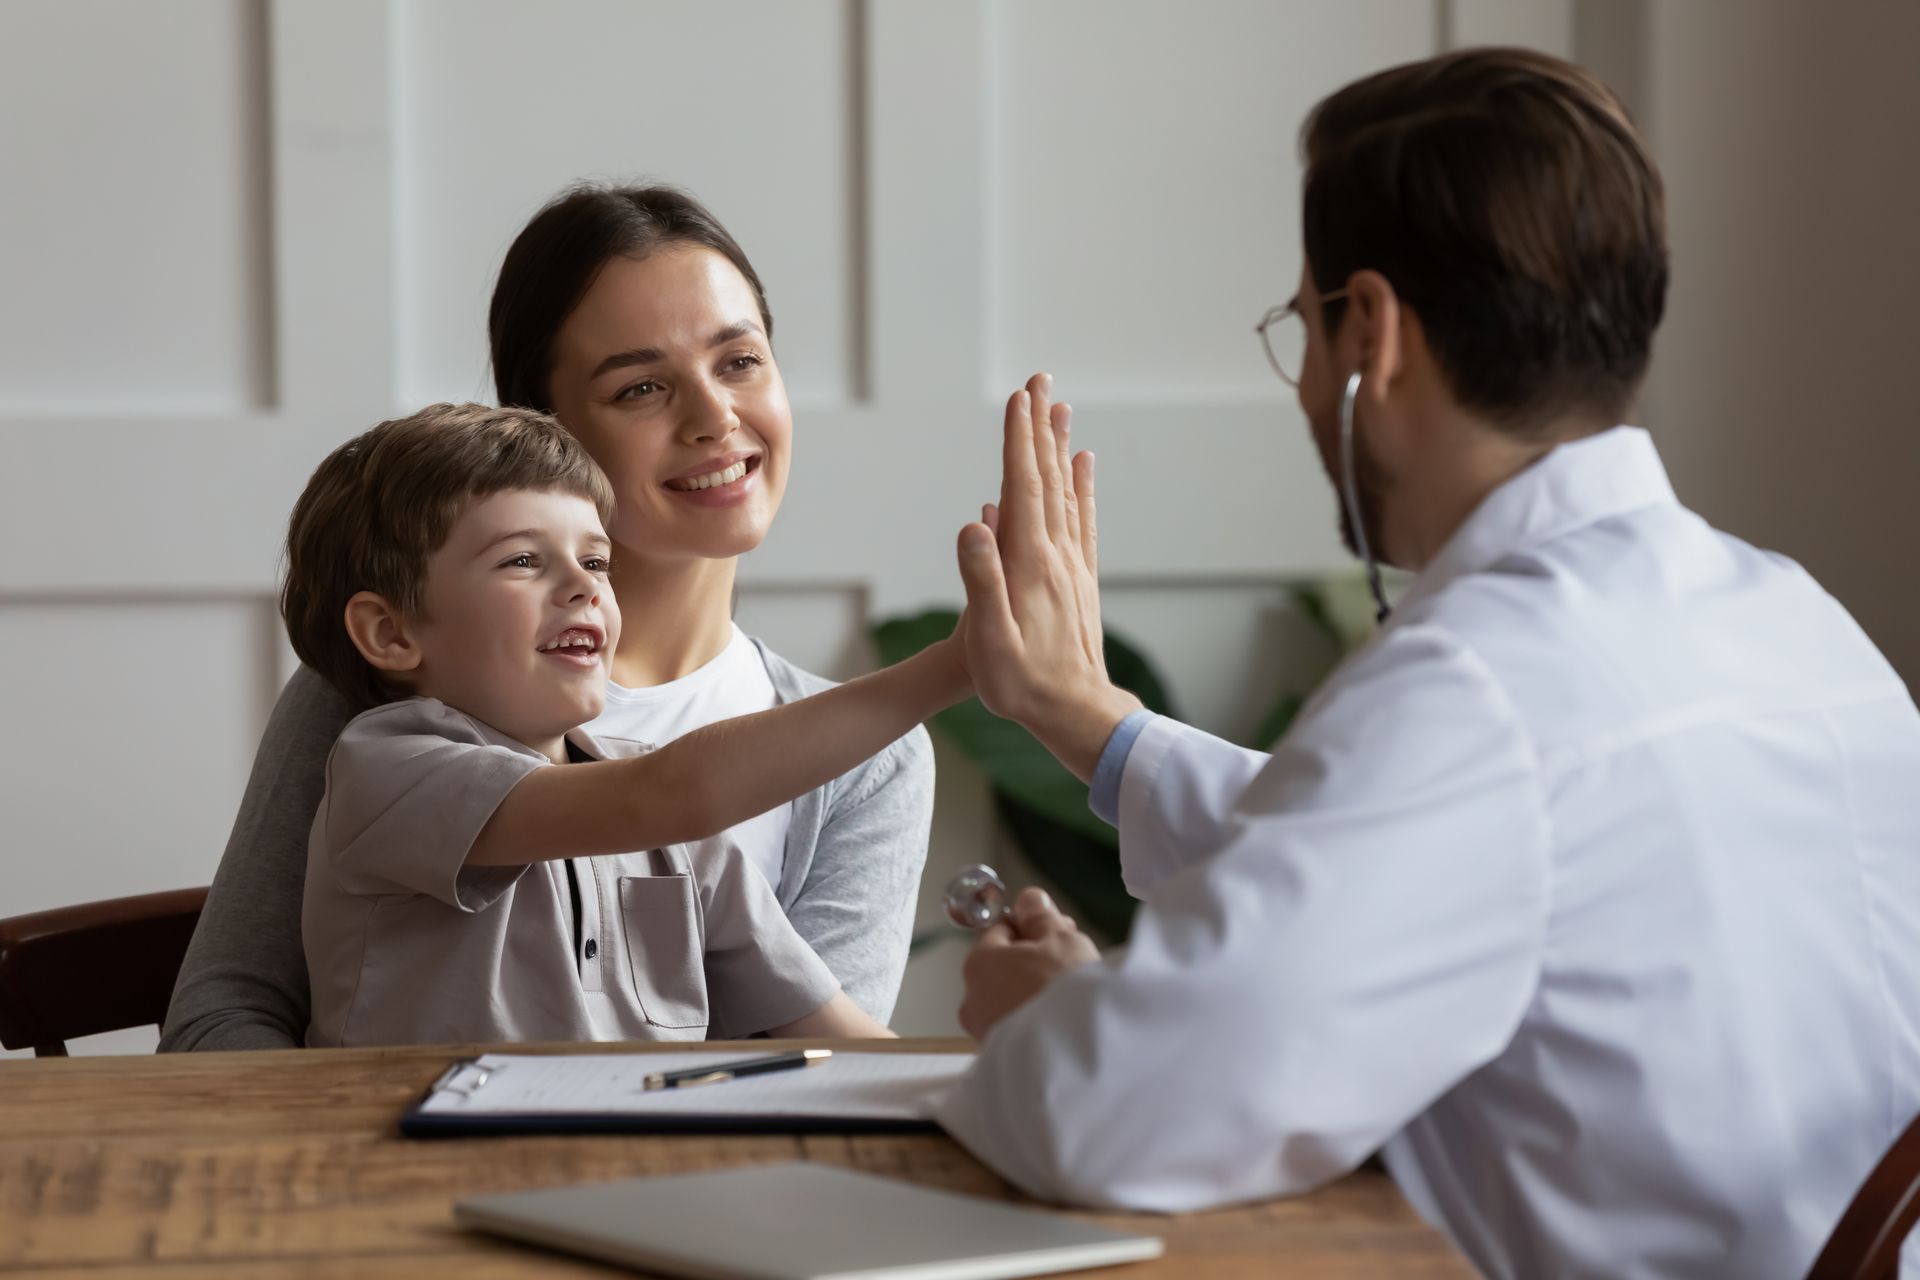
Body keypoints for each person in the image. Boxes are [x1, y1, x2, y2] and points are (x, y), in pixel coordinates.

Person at [939, 49, 1920, 1280]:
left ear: (1375, 332)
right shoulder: (1797, 620)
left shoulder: (1479, 685)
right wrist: (1089, 717)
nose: (1304, 380)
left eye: (1305, 326)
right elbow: (1419, 849)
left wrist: (1049, 1020)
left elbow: (1110, 1112)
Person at [162, 185, 935, 1050]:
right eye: (641, 387)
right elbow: (221, 1018)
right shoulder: (382, 697)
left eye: (740, 361)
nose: (714, 417)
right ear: (544, 427)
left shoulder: (868, 763)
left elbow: (829, 1067)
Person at [287, 403, 960, 1045]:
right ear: (390, 632)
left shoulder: (673, 834)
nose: (584, 587)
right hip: (413, 1164)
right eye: (523, 560)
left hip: (637, 1165)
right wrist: (958, 666)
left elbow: (839, 1034)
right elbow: (671, 793)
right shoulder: (387, 770)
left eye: (596, 560)